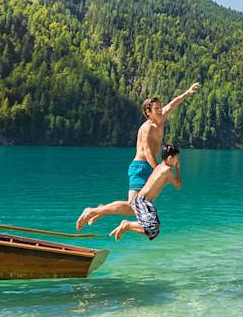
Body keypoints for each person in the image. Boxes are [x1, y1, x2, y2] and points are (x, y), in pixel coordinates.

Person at [75, 82, 199, 231]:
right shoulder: (146, 128)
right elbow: (147, 152)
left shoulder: (161, 117)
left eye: (160, 107)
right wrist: (157, 170)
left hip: (148, 167)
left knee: (134, 208)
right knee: (133, 206)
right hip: (140, 167)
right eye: (156, 109)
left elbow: (173, 104)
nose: (160, 110)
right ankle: (93, 211)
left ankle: (101, 210)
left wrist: (188, 92)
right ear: (148, 112)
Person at [108, 144, 182, 241]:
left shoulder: (160, 167)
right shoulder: (167, 170)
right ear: (170, 158)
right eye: (177, 158)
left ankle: (128, 226)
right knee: (152, 227)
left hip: (144, 201)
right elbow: (178, 186)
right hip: (142, 201)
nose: (178, 161)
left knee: (154, 231)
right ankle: (127, 225)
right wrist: (178, 169)